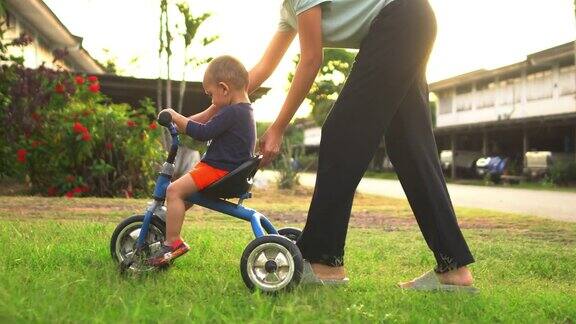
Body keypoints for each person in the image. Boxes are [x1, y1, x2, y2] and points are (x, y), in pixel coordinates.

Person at [148, 55, 256, 266]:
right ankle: (168, 221)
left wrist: (175, 116)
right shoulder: (242, 110)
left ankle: (173, 242)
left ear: (224, 89)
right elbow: (202, 123)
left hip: (219, 171)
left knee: (173, 191)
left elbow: (203, 132)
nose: (211, 100)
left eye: (211, 94)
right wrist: (181, 123)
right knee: (185, 194)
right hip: (224, 169)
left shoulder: (233, 112)